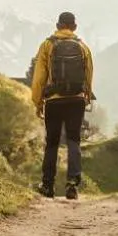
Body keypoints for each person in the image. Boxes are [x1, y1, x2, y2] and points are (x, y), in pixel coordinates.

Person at [30, 11, 94, 199]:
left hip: (54, 101)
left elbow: (39, 77)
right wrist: (87, 96)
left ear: (58, 26)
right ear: (74, 27)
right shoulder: (83, 47)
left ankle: (47, 186)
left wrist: (38, 101)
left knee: (52, 142)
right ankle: (72, 185)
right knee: (74, 140)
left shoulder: (47, 45)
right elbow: (89, 73)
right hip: (76, 100)